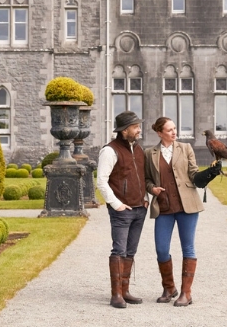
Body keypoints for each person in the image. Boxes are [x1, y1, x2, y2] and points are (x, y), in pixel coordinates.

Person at [143, 118, 222, 306]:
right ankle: (169, 288)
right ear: (160, 133)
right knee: (161, 249)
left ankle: (186, 293)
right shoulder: (149, 153)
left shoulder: (186, 148)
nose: (174, 132)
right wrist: (152, 189)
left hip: (187, 206)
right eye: (169, 130)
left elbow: (194, 175)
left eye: (175, 128)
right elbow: (146, 179)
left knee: (188, 247)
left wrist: (209, 173)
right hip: (164, 206)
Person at [96, 110, 149, 309]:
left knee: (131, 251)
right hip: (122, 210)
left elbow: (142, 177)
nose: (139, 130)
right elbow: (101, 181)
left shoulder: (139, 149)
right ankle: (116, 294)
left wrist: (145, 198)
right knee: (119, 250)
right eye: (135, 127)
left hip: (139, 208)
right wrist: (116, 204)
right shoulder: (109, 151)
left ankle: (125, 291)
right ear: (124, 130)